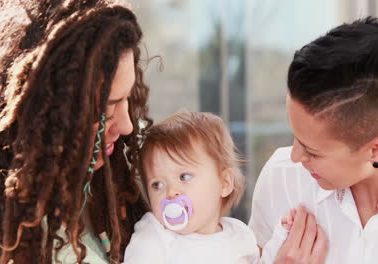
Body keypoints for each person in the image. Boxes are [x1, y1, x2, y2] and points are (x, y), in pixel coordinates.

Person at [0, 0, 152, 263]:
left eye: (127, 99)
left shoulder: (108, 177)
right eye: (107, 107)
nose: (126, 125)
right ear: (43, 104)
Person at [249, 17, 378, 263]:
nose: (295, 157)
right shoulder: (281, 178)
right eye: (295, 137)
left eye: (312, 151)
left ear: (374, 150)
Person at [123, 112, 288, 264]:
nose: (171, 192)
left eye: (184, 177)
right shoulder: (155, 234)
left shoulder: (240, 235)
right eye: (157, 184)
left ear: (224, 183)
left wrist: (281, 236)